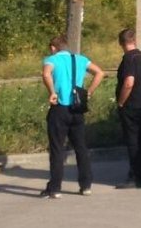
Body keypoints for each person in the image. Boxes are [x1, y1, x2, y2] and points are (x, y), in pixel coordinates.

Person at [41, 35, 104, 198]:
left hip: (60, 108)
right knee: (81, 147)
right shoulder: (81, 59)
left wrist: (52, 92)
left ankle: (55, 188)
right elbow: (99, 73)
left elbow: (46, 74)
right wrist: (88, 92)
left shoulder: (51, 59)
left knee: (57, 149)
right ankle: (86, 185)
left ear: (53, 48)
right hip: (77, 108)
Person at [115, 28, 141, 188]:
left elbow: (129, 82)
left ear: (121, 43)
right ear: (135, 40)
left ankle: (135, 175)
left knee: (133, 140)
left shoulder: (128, 59)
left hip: (131, 105)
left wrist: (121, 102)